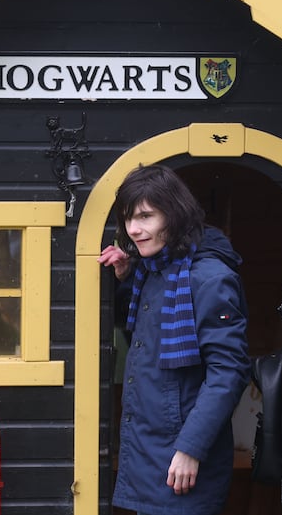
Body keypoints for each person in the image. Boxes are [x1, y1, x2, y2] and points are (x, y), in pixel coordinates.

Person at [98, 164, 251, 515]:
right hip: (150, 453)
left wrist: (191, 448)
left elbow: (228, 372)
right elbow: (143, 339)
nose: (134, 230)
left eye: (146, 216)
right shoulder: (152, 272)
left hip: (182, 459)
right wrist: (124, 279)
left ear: (175, 214)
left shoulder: (210, 278)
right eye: (128, 219)